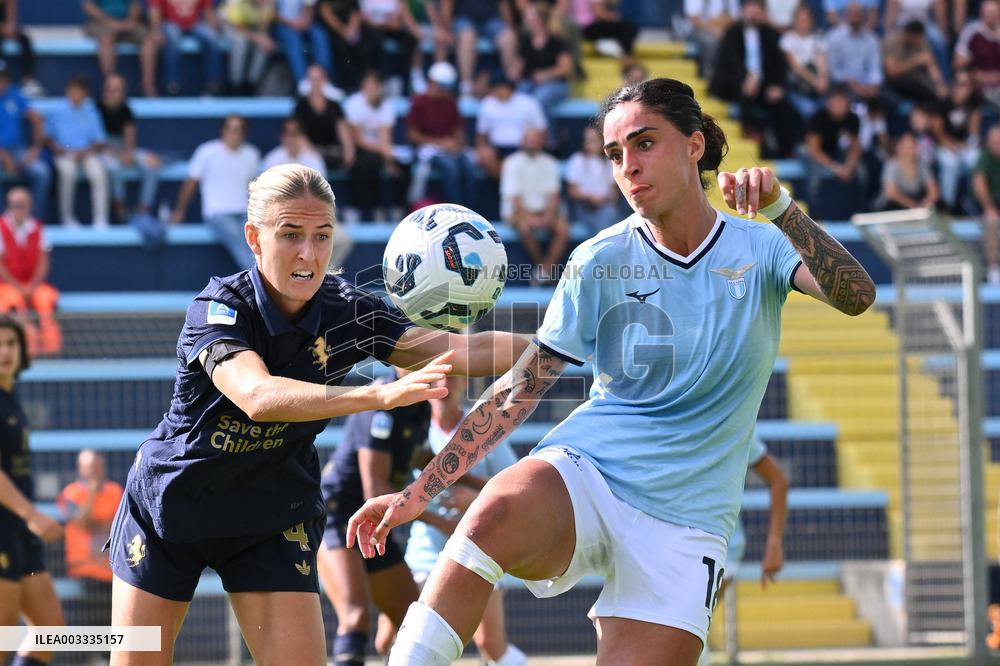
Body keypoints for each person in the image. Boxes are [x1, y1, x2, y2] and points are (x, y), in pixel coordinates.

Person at [348, 77, 876, 666]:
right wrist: (422, 492)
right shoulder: (598, 258)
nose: (628, 166)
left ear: (694, 145)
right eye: (615, 154)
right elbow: (520, 391)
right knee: (491, 515)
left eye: (645, 143)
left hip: (689, 520)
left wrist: (782, 209)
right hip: (591, 469)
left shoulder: (762, 246)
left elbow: (856, 296)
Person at [107, 163, 531, 665]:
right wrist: (375, 397)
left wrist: (561, 345)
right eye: (291, 235)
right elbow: (259, 397)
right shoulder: (217, 308)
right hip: (172, 509)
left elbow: (462, 352)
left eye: (322, 235)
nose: (309, 254)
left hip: (271, 514)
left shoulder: (349, 310)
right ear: (254, 238)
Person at [401, 374, 528, 666]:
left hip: (475, 556)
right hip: (422, 558)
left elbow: (515, 486)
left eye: (453, 372)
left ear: (464, 381)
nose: (444, 381)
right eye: (437, 373)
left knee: (491, 645)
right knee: (397, 641)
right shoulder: (411, 428)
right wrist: (433, 519)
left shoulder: (483, 427)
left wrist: (474, 501)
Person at [317, 369, 431, 664]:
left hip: (377, 523)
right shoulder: (384, 403)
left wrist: (479, 485)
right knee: (355, 617)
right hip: (337, 519)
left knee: (414, 619)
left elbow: (421, 456)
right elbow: (375, 490)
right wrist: (443, 520)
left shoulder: (422, 404)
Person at [0, 314, 65, 666]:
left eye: (11, 343)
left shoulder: (11, 398)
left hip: (19, 531)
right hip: (5, 526)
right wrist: (33, 515)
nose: (5, 351)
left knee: (49, 628)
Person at [696, 434, 787, 666]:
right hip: (681, 545)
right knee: (688, 630)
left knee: (690, 628)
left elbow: (778, 480)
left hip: (725, 548)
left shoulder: (736, 425)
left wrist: (774, 542)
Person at [709, 0, 797, 158]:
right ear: (743, 10)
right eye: (750, 8)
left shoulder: (771, 34)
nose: (753, 12)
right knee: (746, 93)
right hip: (735, 82)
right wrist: (746, 77)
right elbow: (729, 63)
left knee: (783, 105)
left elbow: (779, 65)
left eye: (757, 9)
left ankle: (786, 150)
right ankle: (749, 136)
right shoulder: (732, 33)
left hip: (763, 84)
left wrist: (777, 86)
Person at [170, 115, 261, 269]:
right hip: (217, 213)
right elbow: (190, 183)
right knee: (242, 243)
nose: (233, 134)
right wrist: (179, 211)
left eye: (238, 130)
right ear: (223, 131)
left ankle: (262, 282)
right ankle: (261, 282)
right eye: (230, 129)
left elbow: (253, 188)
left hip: (245, 213)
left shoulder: (252, 155)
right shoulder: (206, 152)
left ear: (244, 134)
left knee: (257, 241)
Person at [57, 449, 125, 628]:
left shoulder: (115, 491)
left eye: (98, 466)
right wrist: (92, 493)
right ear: (81, 469)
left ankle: (105, 655)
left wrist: (95, 523)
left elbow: (120, 524)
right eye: (90, 467)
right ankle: (96, 655)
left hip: (112, 568)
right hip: (85, 568)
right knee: (91, 621)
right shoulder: (71, 493)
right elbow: (80, 521)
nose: (94, 471)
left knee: (117, 619)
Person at [500, 127, 569, 284]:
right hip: (517, 211)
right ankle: (543, 269)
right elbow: (513, 198)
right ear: (523, 141)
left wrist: (548, 215)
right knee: (525, 227)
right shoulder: (511, 163)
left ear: (541, 141)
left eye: (534, 139)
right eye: (528, 139)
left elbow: (553, 195)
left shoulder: (550, 163)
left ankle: (543, 270)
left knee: (563, 229)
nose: (531, 143)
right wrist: (529, 217)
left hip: (544, 210)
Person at [0, 188, 61, 356]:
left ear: (29, 206)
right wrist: (18, 287)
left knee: (46, 299)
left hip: (33, 284)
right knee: (14, 303)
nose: (17, 209)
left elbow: (43, 261)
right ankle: (27, 349)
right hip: (8, 285)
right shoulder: (1, 227)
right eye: (14, 205)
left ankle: (51, 350)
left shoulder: (39, 228)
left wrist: (32, 285)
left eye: (21, 205)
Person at [406, 61, 476, 207]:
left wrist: (457, 143)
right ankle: (455, 208)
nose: (446, 90)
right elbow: (413, 135)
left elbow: (459, 131)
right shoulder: (419, 102)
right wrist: (439, 143)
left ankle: (470, 209)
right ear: (432, 82)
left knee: (469, 167)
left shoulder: (451, 103)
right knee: (450, 168)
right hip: (428, 149)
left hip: (449, 147)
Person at [45, 75, 110, 229]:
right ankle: (67, 218)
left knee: (99, 173)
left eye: (79, 92)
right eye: (72, 91)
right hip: (64, 153)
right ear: (67, 91)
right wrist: (59, 149)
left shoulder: (92, 113)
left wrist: (87, 151)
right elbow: (47, 138)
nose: (75, 95)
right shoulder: (56, 111)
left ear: (86, 94)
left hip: (87, 153)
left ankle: (101, 219)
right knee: (68, 172)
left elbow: (100, 140)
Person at [98, 74, 162, 222]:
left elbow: (129, 139)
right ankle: (120, 210)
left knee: (152, 164)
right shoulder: (96, 109)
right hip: (103, 151)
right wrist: (118, 154)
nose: (113, 93)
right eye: (110, 89)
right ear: (104, 91)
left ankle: (143, 210)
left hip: (121, 149)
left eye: (117, 90)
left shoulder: (126, 111)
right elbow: (97, 142)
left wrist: (128, 153)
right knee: (114, 167)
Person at [343, 70, 404, 222]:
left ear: (380, 88)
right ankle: (365, 211)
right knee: (366, 163)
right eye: (367, 87)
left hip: (379, 148)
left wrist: (388, 159)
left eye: (374, 87)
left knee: (403, 166)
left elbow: (385, 135)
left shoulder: (386, 106)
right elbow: (357, 138)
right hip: (359, 148)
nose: (370, 91)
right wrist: (382, 151)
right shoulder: (354, 103)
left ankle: (398, 208)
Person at [475, 73, 547, 180]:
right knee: (485, 155)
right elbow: (481, 135)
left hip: (522, 148)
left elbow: (542, 131)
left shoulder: (528, 103)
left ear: (509, 88)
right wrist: (481, 150)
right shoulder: (487, 104)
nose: (499, 91)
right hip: (497, 149)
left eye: (501, 88)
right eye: (495, 89)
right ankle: (508, 186)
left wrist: (535, 148)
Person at [147, 0, 228, 96]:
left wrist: (213, 27)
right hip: (170, 24)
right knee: (172, 38)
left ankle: (213, 83)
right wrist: (156, 30)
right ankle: (172, 84)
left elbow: (207, 10)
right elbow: (155, 9)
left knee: (211, 37)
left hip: (195, 24)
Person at [0, 68, 50, 221]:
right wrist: (4, 156)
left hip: (18, 150)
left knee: (41, 172)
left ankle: (34, 221)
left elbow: (37, 120)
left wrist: (35, 150)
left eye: (2, 79)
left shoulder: (15, 94)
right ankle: (3, 226)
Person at [442, 0, 518, 98]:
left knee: (508, 37)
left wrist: (510, 26)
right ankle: (466, 87)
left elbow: (502, 3)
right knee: (467, 36)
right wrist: (446, 30)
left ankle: (509, 84)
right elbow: (448, 3)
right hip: (463, 19)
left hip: (490, 20)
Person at [82, 0, 157, 98]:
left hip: (128, 23)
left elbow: (136, 5)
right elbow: (88, 6)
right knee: (106, 39)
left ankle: (147, 85)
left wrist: (129, 21)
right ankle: (111, 86)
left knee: (149, 40)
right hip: (100, 23)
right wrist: (110, 22)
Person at [804, 86, 863, 208]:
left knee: (861, 170)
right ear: (828, 103)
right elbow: (813, 149)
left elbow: (856, 146)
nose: (839, 104)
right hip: (808, 149)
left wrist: (849, 167)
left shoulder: (853, 118)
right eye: (836, 100)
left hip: (834, 149)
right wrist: (837, 169)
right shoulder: (818, 117)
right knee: (814, 173)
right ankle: (813, 209)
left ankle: (859, 206)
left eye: (842, 100)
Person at [934, 70, 982, 213]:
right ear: (954, 85)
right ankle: (947, 205)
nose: (963, 88)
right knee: (950, 162)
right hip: (944, 144)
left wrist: (967, 144)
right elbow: (937, 130)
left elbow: (974, 131)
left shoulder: (974, 104)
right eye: (960, 84)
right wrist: (951, 144)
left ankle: (972, 201)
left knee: (976, 159)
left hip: (964, 145)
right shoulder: (944, 103)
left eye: (966, 85)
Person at [294, 65, 356, 172]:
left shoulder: (334, 105)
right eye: (312, 79)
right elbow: (299, 133)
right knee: (312, 163)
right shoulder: (301, 105)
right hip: (309, 152)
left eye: (318, 79)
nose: (315, 83)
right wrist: (313, 154)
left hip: (332, 151)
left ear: (324, 80)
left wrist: (348, 149)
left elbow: (343, 131)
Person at [565, 125, 620, 235]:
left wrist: (603, 199)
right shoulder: (577, 160)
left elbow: (614, 194)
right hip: (583, 207)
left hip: (605, 206)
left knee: (609, 213)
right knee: (606, 219)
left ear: (601, 141)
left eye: (593, 141)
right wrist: (589, 197)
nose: (589, 144)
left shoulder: (609, 162)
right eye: (587, 141)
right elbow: (572, 191)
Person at [824, 2, 883, 104]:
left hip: (866, 85)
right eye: (852, 14)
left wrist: (873, 84)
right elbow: (833, 70)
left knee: (884, 99)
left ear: (864, 17)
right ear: (845, 16)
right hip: (843, 85)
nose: (855, 18)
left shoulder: (872, 39)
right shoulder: (834, 37)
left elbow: (875, 68)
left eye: (858, 14)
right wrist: (851, 83)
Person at [779, 5, 828, 121]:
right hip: (797, 87)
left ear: (811, 22)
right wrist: (815, 81)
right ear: (794, 21)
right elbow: (795, 67)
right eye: (800, 20)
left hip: (817, 88)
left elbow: (822, 62)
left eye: (806, 20)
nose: (803, 23)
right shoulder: (787, 39)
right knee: (810, 111)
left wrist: (823, 79)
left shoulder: (818, 38)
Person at [883, 20, 948, 104]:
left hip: (916, 80)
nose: (920, 40)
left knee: (939, 95)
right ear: (909, 35)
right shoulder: (892, 42)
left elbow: (932, 65)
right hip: (895, 82)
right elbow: (891, 72)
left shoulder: (922, 42)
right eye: (918, 38)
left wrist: (940, 85)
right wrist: (915, 61)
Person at [221, 0, 277, 96]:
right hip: (227, 27)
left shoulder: (268, 3)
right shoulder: (237, 2)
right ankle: (235, 85)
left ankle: (252, 84)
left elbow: (263, 28)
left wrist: (262, 38)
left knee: (263, 45)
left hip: (251, 29)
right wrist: (257, 38)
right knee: (240, 42)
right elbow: (236, 26)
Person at [274, 0, 333, 86]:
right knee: (293, 41)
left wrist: (305, 21)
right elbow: (273, 13)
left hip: (304, 22)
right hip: (283, 24)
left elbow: (309, 7)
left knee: (319, 35)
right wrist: (291, 23)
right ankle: (303, 82)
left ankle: (323, 77)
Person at [877, 132, 939, 210]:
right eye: (906, 147)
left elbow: (934, 192)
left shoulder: (922, 165)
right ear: (899, 148)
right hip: (890, 207)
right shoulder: (892, 165)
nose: (909, 151)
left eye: (912, 147)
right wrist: (914, 206)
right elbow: (890, 192)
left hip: (914, 207)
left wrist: (923, 206)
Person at [954, 0, 1000, 106]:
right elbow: (958, 62)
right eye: (988, 14)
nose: (991, 17)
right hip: (978, 86)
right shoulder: (971, 32)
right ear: (982, 14)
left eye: (994, 14)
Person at [973, 126, 1000, 283]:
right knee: (991, 220)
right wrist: (989, 207)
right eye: (995, 142)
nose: (998, 146)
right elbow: (979, 183)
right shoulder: (985, 156)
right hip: (987, 206)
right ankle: (994, 269)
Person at [0, 0, 42, 97]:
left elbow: (10, 5)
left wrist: (11, 26)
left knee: (25, 40)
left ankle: (28, 80)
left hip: (4, 26)